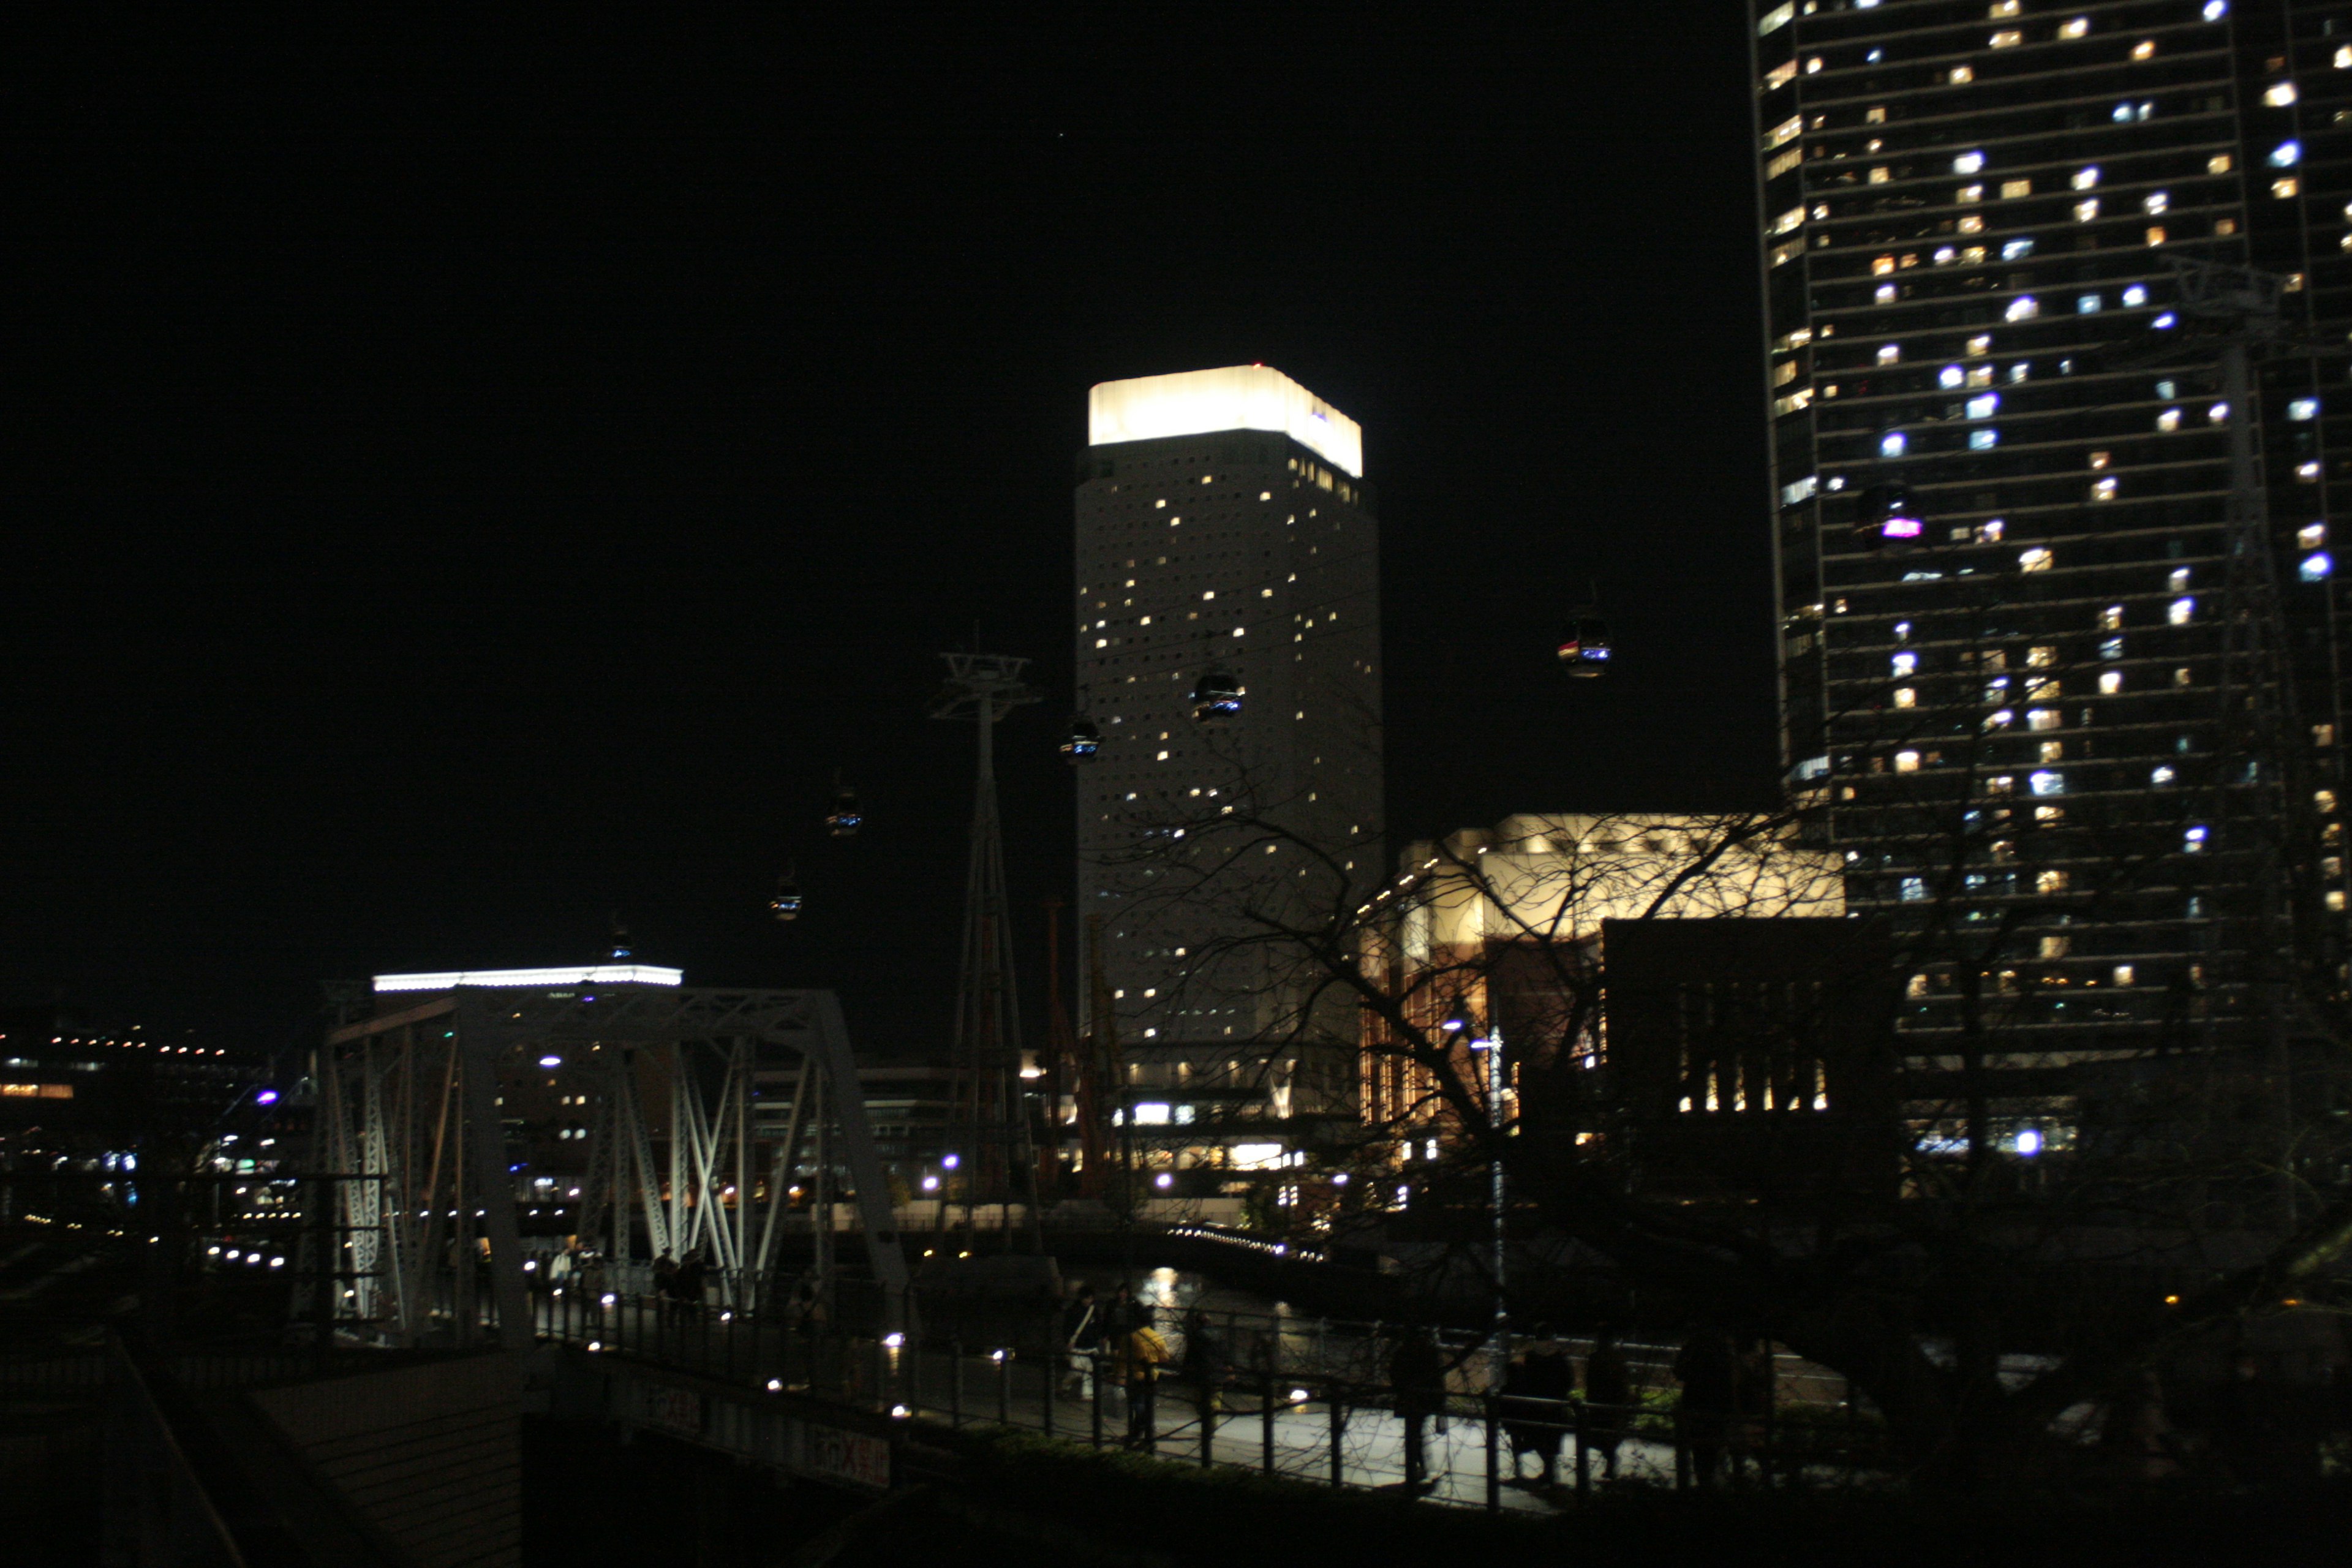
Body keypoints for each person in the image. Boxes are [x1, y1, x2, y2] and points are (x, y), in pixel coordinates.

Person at [1502, 1327, 1574, 1488]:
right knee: (1543, 1439)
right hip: (1542, 1405)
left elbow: (1565, 1383)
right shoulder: (1553, 1358)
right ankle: (1548, 1472)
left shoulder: (1547, 1358)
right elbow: (1566, 1382)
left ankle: (1548, 1472)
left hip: (1547, 1405)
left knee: (1544, 1439)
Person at [1674, 1327, 1738, 1488]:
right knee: (1712, 1447)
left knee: (1700, 1448)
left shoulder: (1694, 1347)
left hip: (1696, 1403)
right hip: (1716, 1405)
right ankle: (1711, 1484)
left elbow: (1679, 1372)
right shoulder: (1722, 1349)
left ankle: (1702, 1484)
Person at [1389, 1328, 1447, 1491]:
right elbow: (1437, 1377)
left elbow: (1395, 1372)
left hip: (1412, 1397)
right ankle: (1419, 1465)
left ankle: (1417, 1465)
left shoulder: (1405, 1353)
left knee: (1414, 1432)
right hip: (1424, 1398)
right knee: (1416, 1432)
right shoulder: (1429, 1353)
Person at [1580, 1328, 1634, 1482]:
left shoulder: (1596, 1358)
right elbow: (1624, 1382)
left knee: (1600, 1435)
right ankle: (1610, 1463)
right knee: (1607, 1435)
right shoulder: (1618, 1358)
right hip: (1612, 1402)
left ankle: (1607, 1464)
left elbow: (1590, 1382)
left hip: (1601, 1401)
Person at [1125, 1318, 1172, 1447]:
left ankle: (1139, 1433)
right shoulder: (1157, 1337)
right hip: (1152, 1376)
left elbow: (1123, 1358)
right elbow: (1164, 1358)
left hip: (1137, 1376)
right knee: (1148, 1405)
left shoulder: (1133, 1337)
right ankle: (1145, 1436)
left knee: (1137, 1404)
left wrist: (1118, 1376)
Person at [1181, 1306, 1228, 1420]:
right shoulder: (1220, 1334)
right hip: (1218, 1373)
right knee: (1215, 1401)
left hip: (1202, 1374)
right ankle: (1212, 1425)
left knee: (1200, 1401)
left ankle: (1206, 1425)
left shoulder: (1197, 1336)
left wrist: (1186, 1370)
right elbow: (1225, 1354)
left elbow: (1192, 1355)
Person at [1061, 1283, 1102, 1399]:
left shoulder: (1095, 1311)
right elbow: (1067, 1328)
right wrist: (1068, 1341)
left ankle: (1087, 1393)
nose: (1088, 1300)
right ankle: (1066, 1385)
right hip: (1078, 1345)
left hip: (1090, 1346)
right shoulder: (1073, 1311)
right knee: (1076, 1370)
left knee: (1089, 1371)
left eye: (1090, 1298)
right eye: (1086, 1298)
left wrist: (1097, 1338)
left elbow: (1099, 1327)